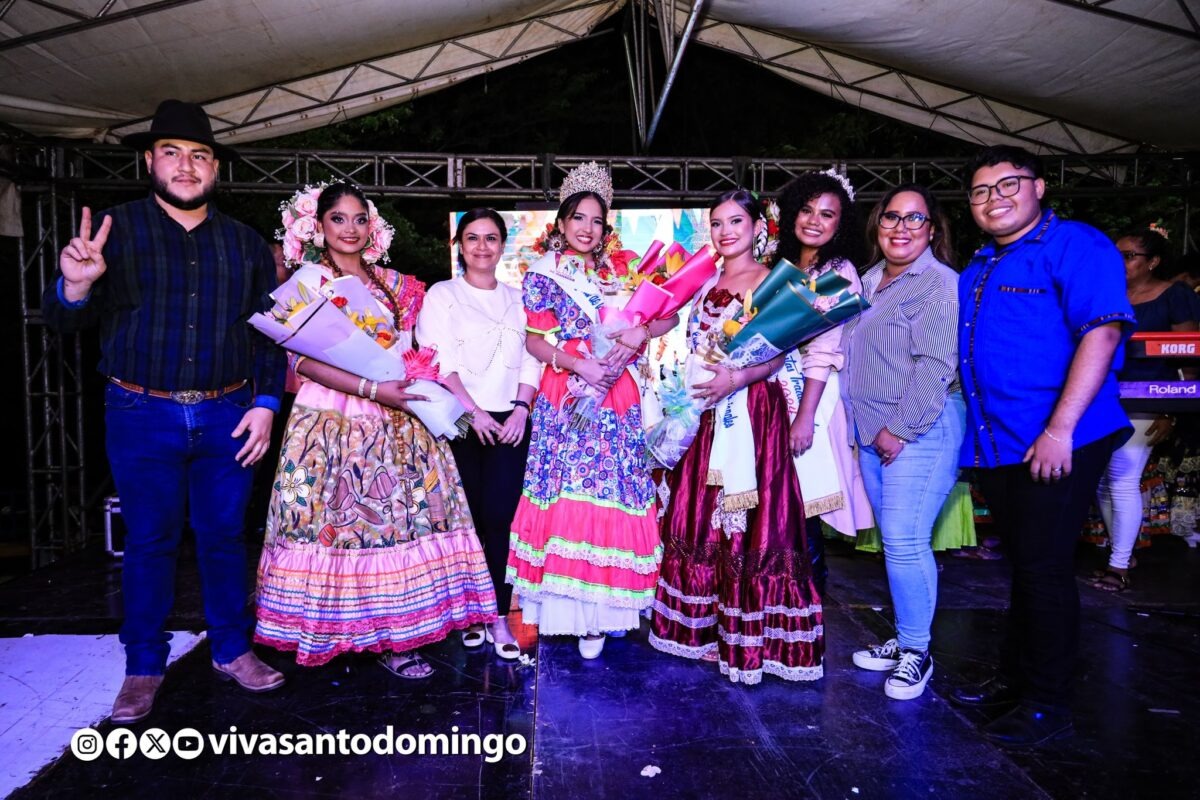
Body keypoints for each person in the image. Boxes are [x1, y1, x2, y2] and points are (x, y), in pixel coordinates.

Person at [41, 99, 287, 724]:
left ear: (215, 170)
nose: (186, 166)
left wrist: (264, 404)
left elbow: (267, 335)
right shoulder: (114, 231)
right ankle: (144, 665)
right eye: (172, 153)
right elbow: (65, 323)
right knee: (148, 542)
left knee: (225, 539)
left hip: (227, 413)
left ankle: (232, 650)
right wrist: (75, 285)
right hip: (139, 412)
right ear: (150, 161)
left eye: (200, 156)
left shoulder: (247, 245)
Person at [254, 183, 497, 679]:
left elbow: (412, 349)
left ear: (373, 227)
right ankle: (329, 630)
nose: (350, 229)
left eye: (359, 219)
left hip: (398, 419)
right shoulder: (306, 283)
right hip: (330, 420)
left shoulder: (393, 284)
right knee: (335, 523)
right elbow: (303, 360)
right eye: (338, 219)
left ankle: (397, 638)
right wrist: (370, 386)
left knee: (392, 525)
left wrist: (418, 379)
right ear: (317, 227)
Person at [953, 145, 1135, 746]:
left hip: (1060, 440)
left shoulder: (1078, 245)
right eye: (980, 191)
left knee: (1046, 571)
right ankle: (1015, 683)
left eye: (1008, 185)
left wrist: (1059, 431)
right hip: (1001, 445)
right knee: (1025, 571)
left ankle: (1048, 704)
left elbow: (1103, 333)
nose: (993, 199)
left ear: (1040, 188)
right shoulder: (980, 264)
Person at [649, 188, 825, 684]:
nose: (726, 233)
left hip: (751, 410)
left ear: (757, 228)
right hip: (704, 410)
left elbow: (777, 353)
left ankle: (753, 637)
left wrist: (737, 379)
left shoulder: (773, 281)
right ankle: (704, 630)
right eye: (718, 224)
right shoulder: (705, 281)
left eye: (735, 223)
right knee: (699, 514)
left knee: (754, 518)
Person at [506, 162, 676, 659]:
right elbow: (536, 343)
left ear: (606, 227)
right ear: (560, 222)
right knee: (567, 492)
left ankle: (600, 617)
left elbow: (666, 311)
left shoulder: (622, 270)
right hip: (567, 391)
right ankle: (561, 611)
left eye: (597, 221)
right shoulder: (542, 274)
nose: (587, 228)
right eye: (578, 217)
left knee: (609, 489)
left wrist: (639, 334)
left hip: (616, 391)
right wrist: (577, 362)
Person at [840, 184, 964, 700]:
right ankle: (905, 638)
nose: (901, 228)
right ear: (878, 224)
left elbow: (936, 365)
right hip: (874, 433)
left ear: (932, 230)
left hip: (920, 430)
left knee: (905, 540)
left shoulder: (937, 284)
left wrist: (901, 428)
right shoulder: (868, 280)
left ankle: (917, 653)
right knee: (897, 542)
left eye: (915, 220)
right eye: (892, 217)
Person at [415, 208, 541, 659]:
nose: (482, 247)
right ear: (459, 245)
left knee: (500, 521)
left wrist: (522, 409)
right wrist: (474, 414)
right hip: (461, 420)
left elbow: (533, 358)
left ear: (503, 245)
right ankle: (467, 614)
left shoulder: (518, 297)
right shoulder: (443, 295)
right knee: (463, 522)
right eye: (472, 238)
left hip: (511, 421)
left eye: (491, 238)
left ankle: (497, 616)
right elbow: (438, 360)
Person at [773, 170, 874, 588]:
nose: (814, 220)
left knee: (803, 504)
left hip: (812, 395)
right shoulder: (778, 265)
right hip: (772, 390)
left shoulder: (839, 271)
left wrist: (805, 417)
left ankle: (807, 600)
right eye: (808, 209)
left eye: (827, 214)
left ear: (840, 224)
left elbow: (825, 347)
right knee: (775, 501)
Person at [1092, 227, 1197, 592]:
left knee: (1122, 477)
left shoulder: (1175, 296)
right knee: (1104, 482)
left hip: (1150, 398)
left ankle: (1118, 566)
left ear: (1152, 261)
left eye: (1129, 255)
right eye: (1116, 254)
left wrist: (1172, 410)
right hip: (1104, 396)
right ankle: (1124, 552)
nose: (1120, 262)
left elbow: (1189, 356)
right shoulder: (1107, 294)